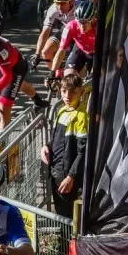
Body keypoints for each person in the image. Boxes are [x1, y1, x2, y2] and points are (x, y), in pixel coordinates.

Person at [43, 74, 89, 218]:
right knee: (59, 212)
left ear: (81, 92)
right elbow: (58, 138)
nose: (67, 96)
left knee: (67, 216)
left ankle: (70, 240)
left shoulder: (81, 117)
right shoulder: (62, 110)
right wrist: (46, 146)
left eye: (73, 92)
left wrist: (71, 177)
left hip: (67, 176)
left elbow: (83, 151)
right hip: (55, 170)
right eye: (64, 91)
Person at [52, 0, 97, 79]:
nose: (82, 26)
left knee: (95, 81)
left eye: (86, 22)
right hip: (80, 50)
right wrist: (53, 71)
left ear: (93, 20)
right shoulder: (70, 26)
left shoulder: (99, 28)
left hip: (97, 53)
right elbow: (61, 50)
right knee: (69, 77)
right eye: (80, 22)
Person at [35, 0, 76, 66]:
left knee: (74, 62)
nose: (59, 7)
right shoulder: (53, 9)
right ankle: (55, 75)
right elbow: (45, 33)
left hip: (79, 34)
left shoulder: (79, 8)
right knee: (46, 52)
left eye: (63, 3)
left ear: (71, 1)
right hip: (65, 30)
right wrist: (37, 54)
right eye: (57, 3)